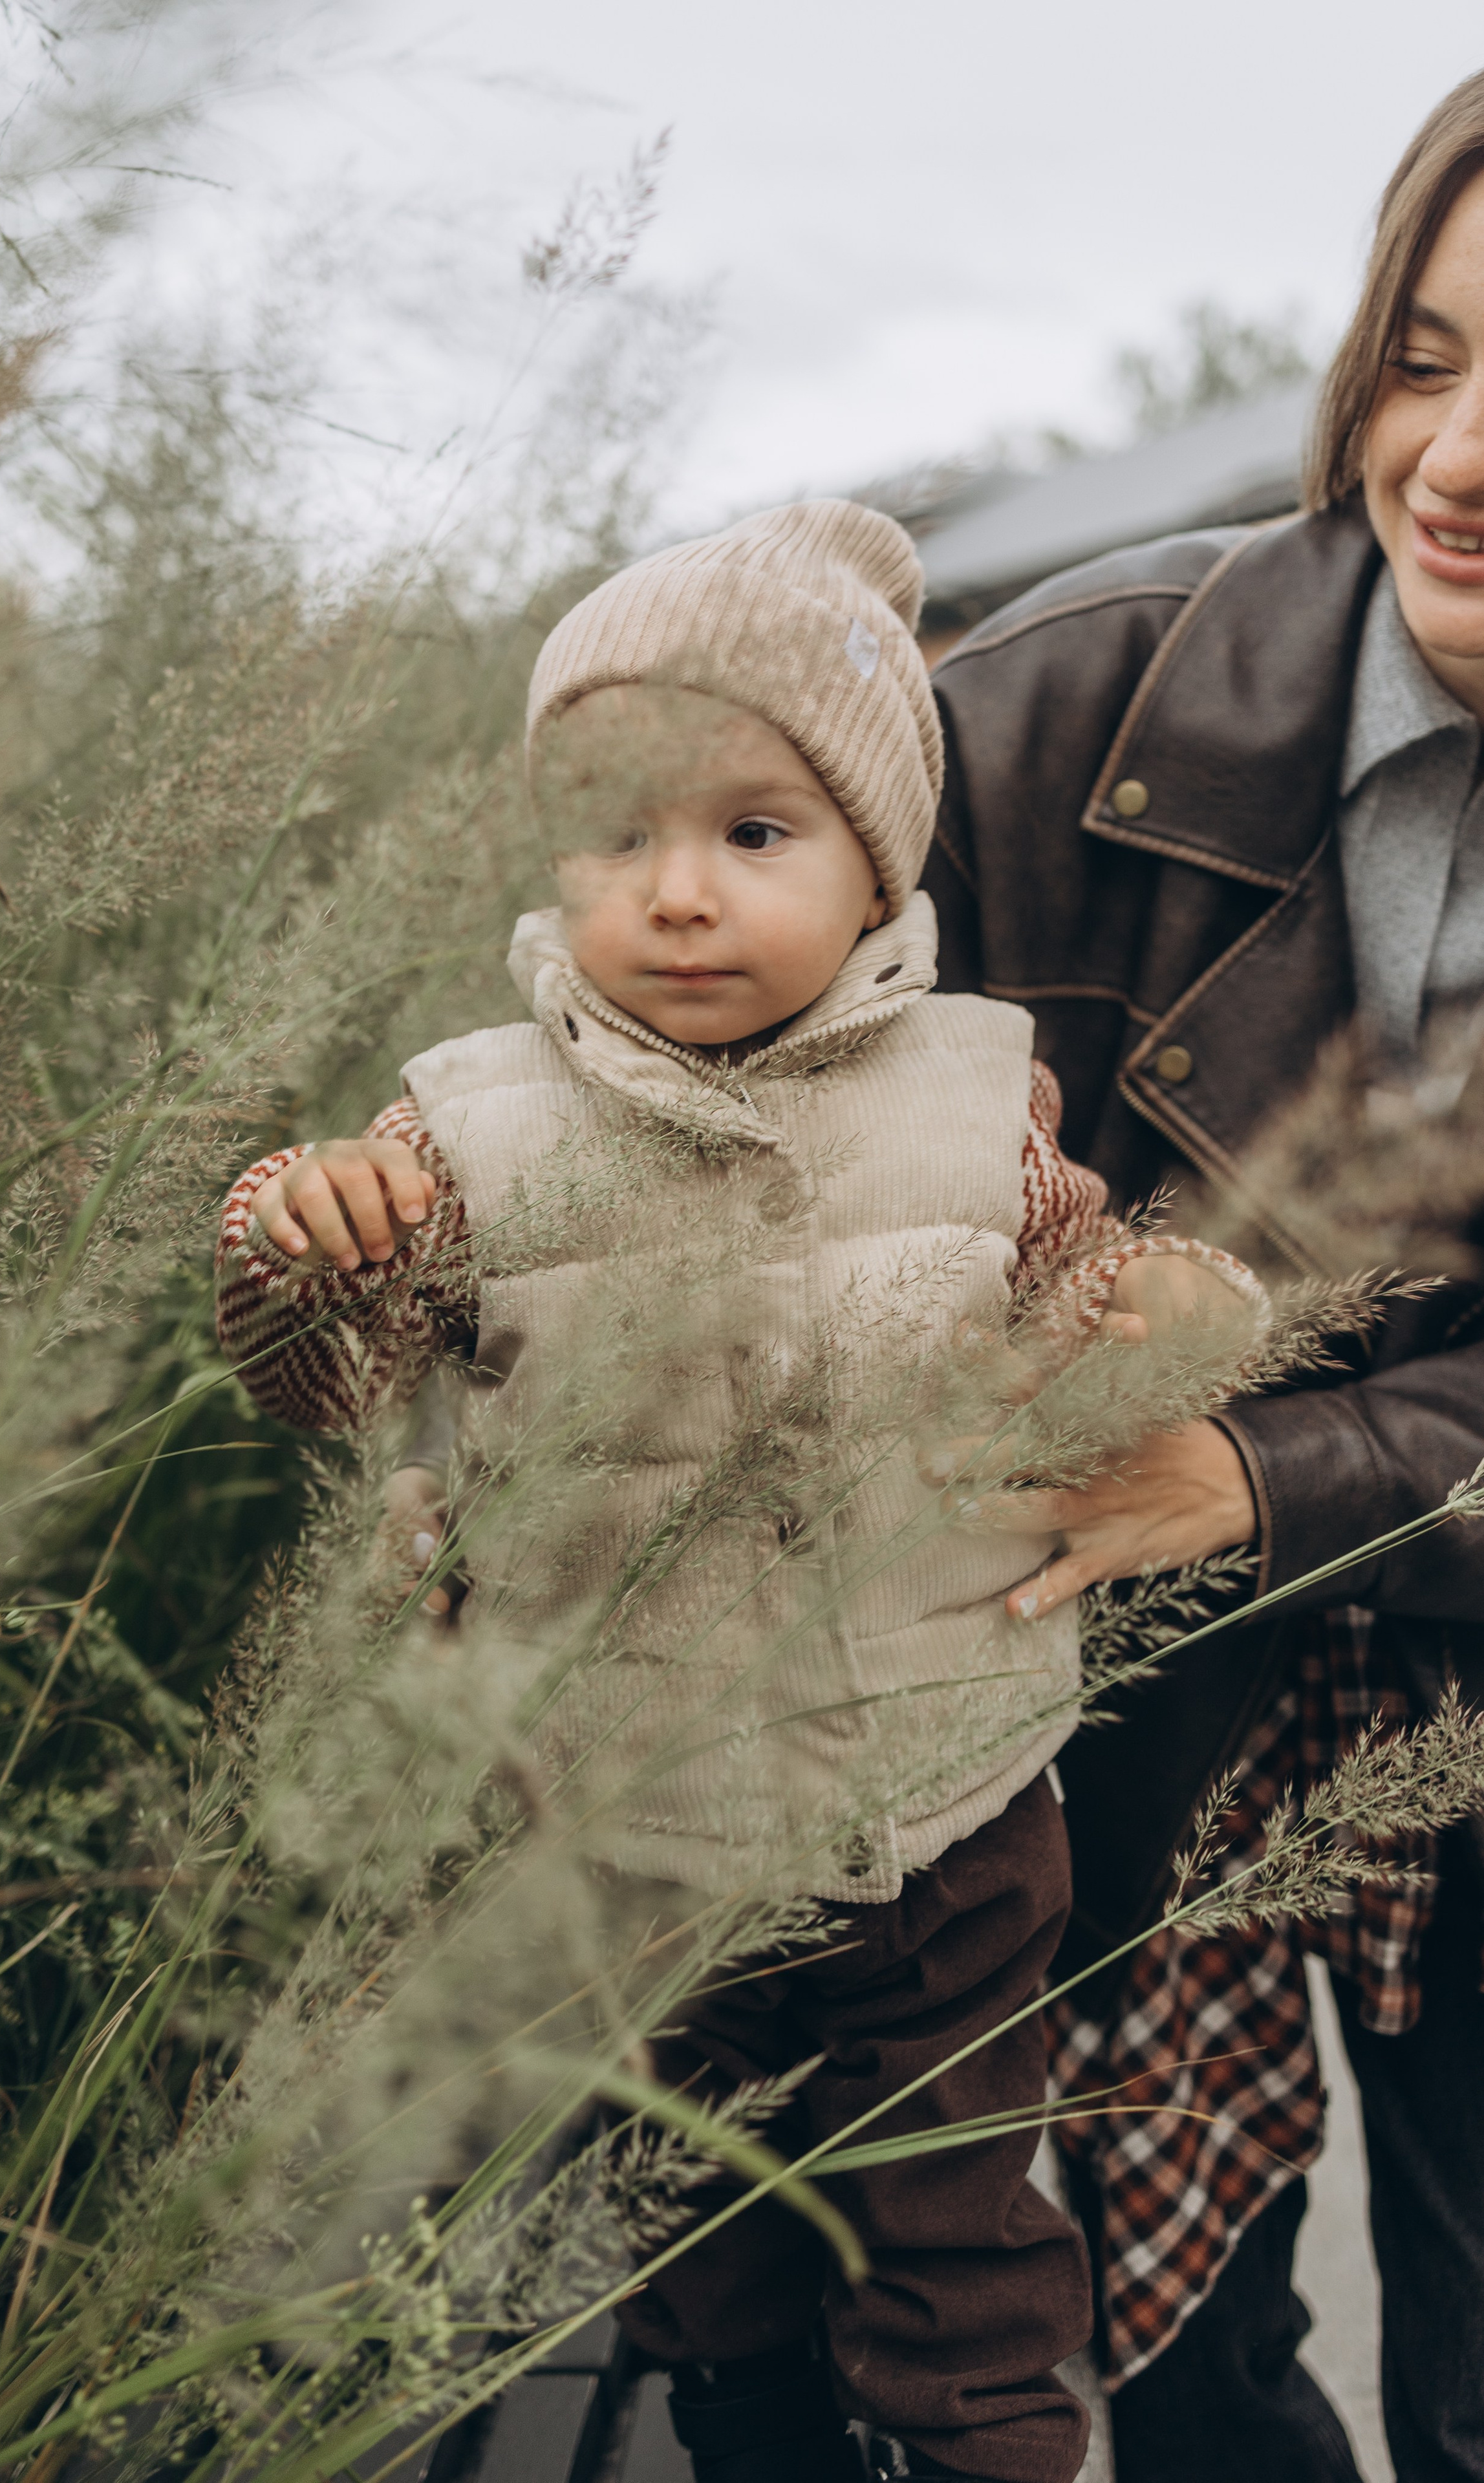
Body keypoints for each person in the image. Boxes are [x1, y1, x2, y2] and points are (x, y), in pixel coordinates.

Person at [214, 500, 1256, 2483]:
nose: (676, 896)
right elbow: (328, 1393)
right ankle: (753, 2436)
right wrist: (298, 1248)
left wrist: (1177, 1317)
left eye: (753, 837)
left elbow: (1094, 1315)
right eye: (621, 835)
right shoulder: (469, 1131)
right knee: (701, 2241)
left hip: (941, 1810)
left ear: (880, 863)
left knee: (964, 2253)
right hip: (631, 1825)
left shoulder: (981, 1107)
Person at [923, 69, 1484, 2483]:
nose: (1458, 457)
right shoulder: (1050, 715)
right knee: (1162, 2361)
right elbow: (707, 1089)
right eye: (1431, 358)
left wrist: (1262, 1465)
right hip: (1093, 1675)